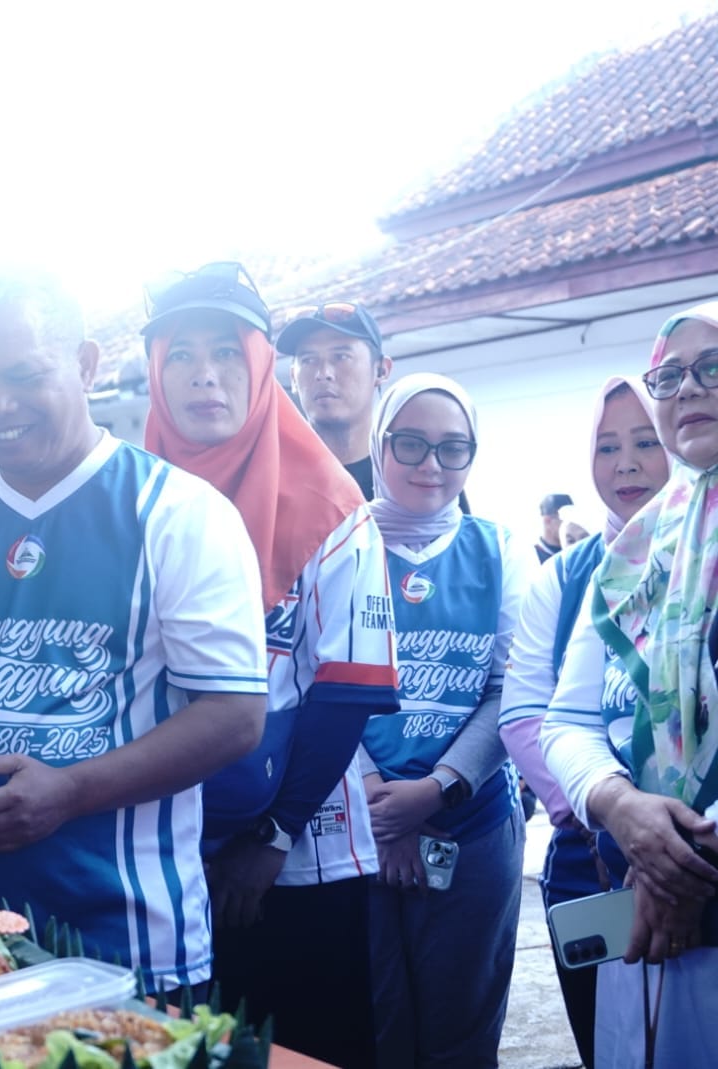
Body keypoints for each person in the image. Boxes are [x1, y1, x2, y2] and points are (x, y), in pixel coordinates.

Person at [0, 267, 268, 995]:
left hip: (130, 942)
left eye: (24, 374)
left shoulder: (179, 512)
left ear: (85, 365)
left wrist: (70, 791)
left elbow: (236, 717)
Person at [141, 263, 399, 1067]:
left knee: (305, 1047)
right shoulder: (129, 495)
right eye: (181, 354)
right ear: (155, 370)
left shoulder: (334, 506)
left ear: (258, 366)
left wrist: (272, 836)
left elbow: (345, 694)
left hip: (298, 855)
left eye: (227, 351)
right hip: (158, 851)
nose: (205, 374)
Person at [541, 302, 718, 1064]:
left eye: (712, 367)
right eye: (670, 374)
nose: (688, 389)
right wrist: (625, 812)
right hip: (643, 896)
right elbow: (565, 719)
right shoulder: (638, 548)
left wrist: (686, 864)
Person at [361, 373, 528, 1068]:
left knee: (463, 1033)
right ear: (379, 445)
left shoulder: (499, 548)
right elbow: (310, 686)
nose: (432, 464)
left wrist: (436, 788)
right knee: (374, 1029)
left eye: (453, 447)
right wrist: (380, 809)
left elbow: (510, 687)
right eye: (411, 443)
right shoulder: (339, 547)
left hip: (474, 819)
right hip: (355, 830)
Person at [500, 376, 666, 1067]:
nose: (624, 463)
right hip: (588, 863)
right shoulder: (567, 575)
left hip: (697, 859)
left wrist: (668, 839)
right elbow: (526, 715)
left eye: (644, 441)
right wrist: (611, 820)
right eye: (606, 446)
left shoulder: (703, 555)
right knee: (610, 1048)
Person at [281, 302, 470, 515]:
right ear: (292, 378)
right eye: (308, 360)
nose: (323, 373)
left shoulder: (416, 469)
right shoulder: (274, 476)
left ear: (381, 369)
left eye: (341, 357)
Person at [535, 492, 573, 563]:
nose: (571, 525)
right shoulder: (532, 557)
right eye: (565, 519)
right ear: (548, 521)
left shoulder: (576, 551)